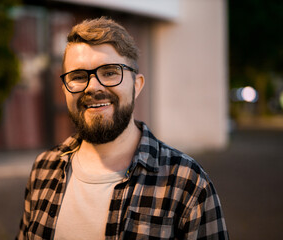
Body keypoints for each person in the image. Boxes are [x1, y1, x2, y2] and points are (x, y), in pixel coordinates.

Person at [16, 17, 228, 240]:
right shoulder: (44, 168)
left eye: (109, 72)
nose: (93, 87)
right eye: (78, 76)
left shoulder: (186, 183)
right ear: (65, 90)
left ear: (137, 86)